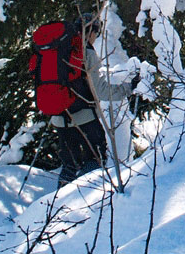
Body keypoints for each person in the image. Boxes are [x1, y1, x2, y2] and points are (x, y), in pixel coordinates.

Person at [52, 13, 136, 187]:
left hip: (59, 117)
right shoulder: (86, 52)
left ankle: (59, 206)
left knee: (69, 164)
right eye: (96, 33)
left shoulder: (58, 49)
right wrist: (129, 88)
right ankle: (86, 201)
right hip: (84, 118)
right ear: (92, 31)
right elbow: (101, 91)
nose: (95, 38)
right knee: (95, 159)